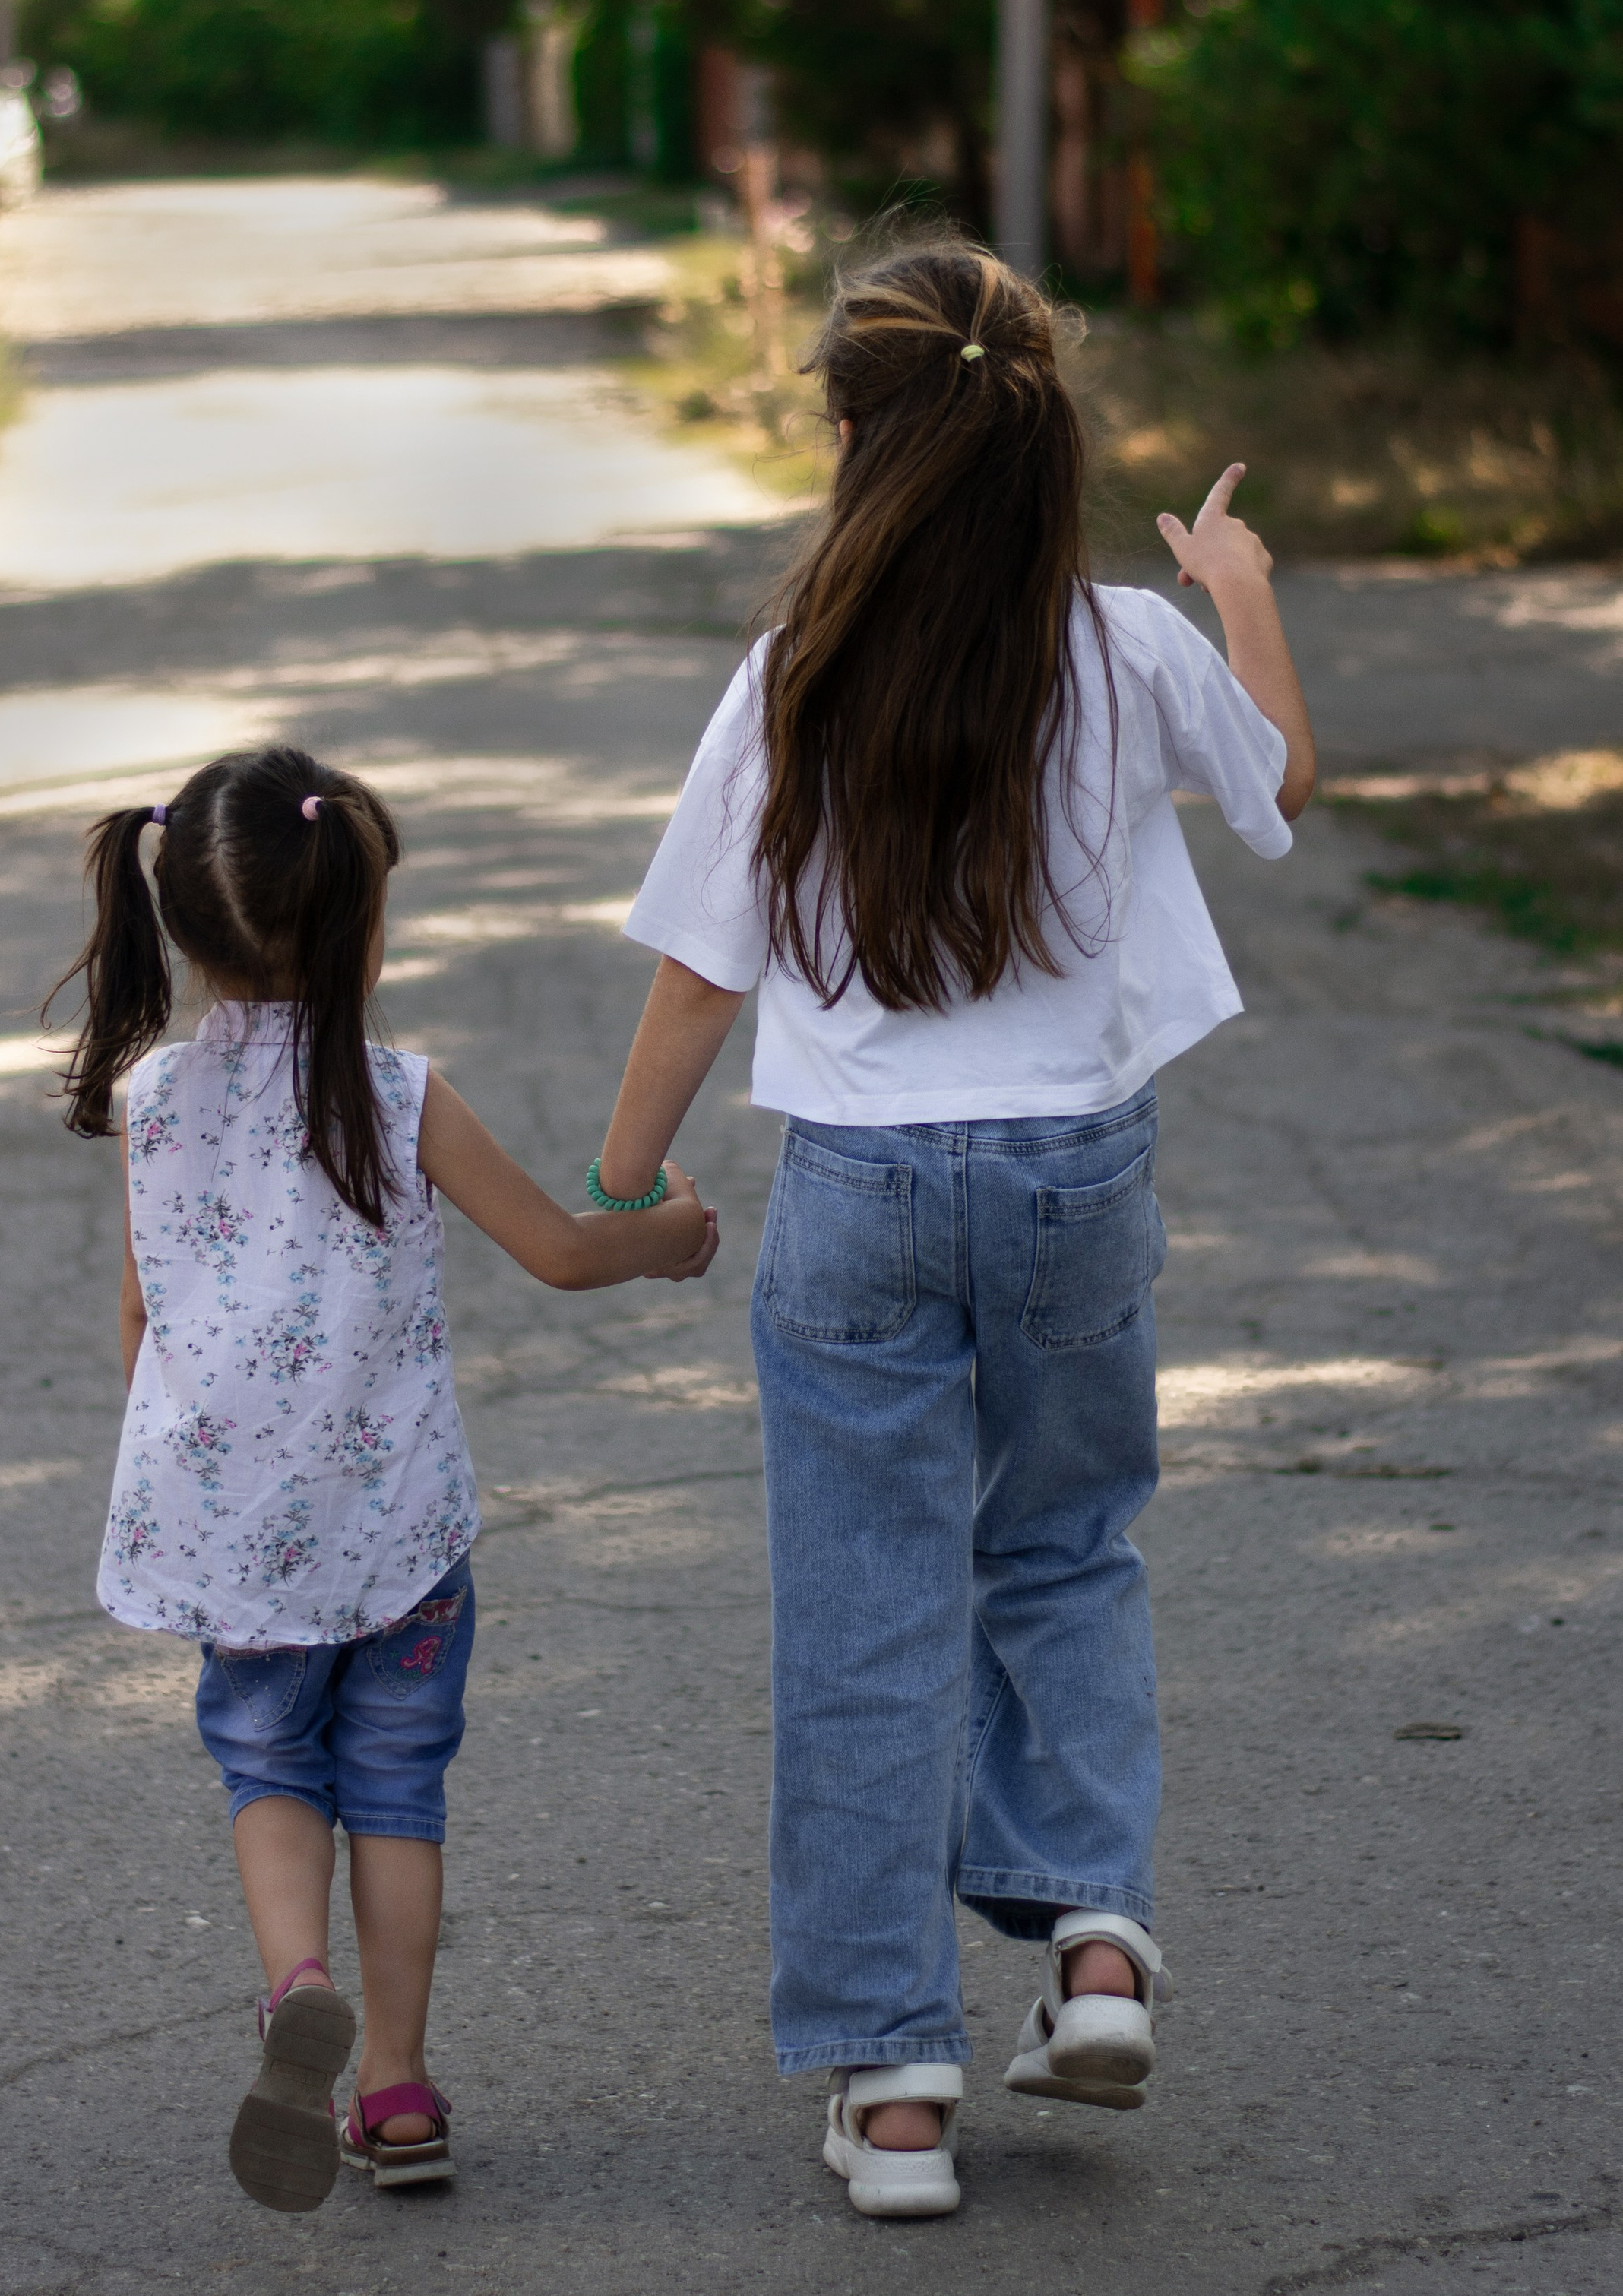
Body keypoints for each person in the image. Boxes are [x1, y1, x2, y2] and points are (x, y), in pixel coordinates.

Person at [594, 241, 1315, 2218]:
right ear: (1046, 434)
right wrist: (1240, 597)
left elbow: (692, 978)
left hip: (861, 1199)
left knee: (865, 1615)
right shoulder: (1129, 649)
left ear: (850, 436)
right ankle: (1096, 1945)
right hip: (1081, 1177)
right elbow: (1285, 784)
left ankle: (894, 2083)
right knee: (1069, 1550)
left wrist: (626, 1177)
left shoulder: (796, 672)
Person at [47, 745, 713, 2215]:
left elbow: (144, 1311)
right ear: (361, 916)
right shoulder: (401, 1094)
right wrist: (670, 1227)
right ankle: (398, 2089)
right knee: (398, 1793)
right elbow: (556, 1248)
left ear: (183, 931)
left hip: (241, 1541)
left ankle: (297, 1987)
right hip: (398, 1537)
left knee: (271, 1772)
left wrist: (208, 1483)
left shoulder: (155, 1102)